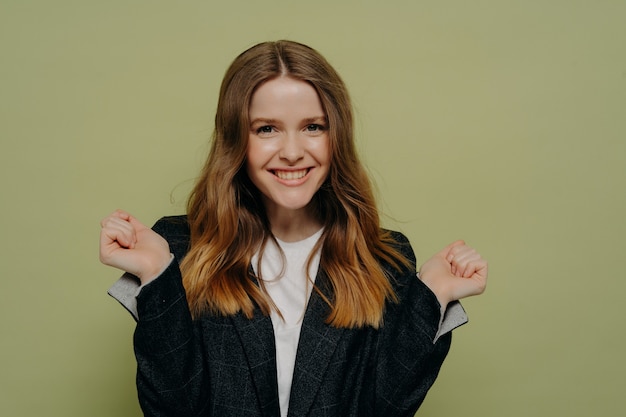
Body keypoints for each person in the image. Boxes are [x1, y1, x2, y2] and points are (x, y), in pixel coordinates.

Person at [99, 40, 488, 417]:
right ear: (236, 139)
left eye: (313, 127)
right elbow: (173, 409)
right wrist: (155, 276)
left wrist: (432, 297)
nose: (291, 151)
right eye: (266, 129)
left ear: (336, 136)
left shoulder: (384, 257)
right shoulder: (182, 248)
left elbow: (386, 407)